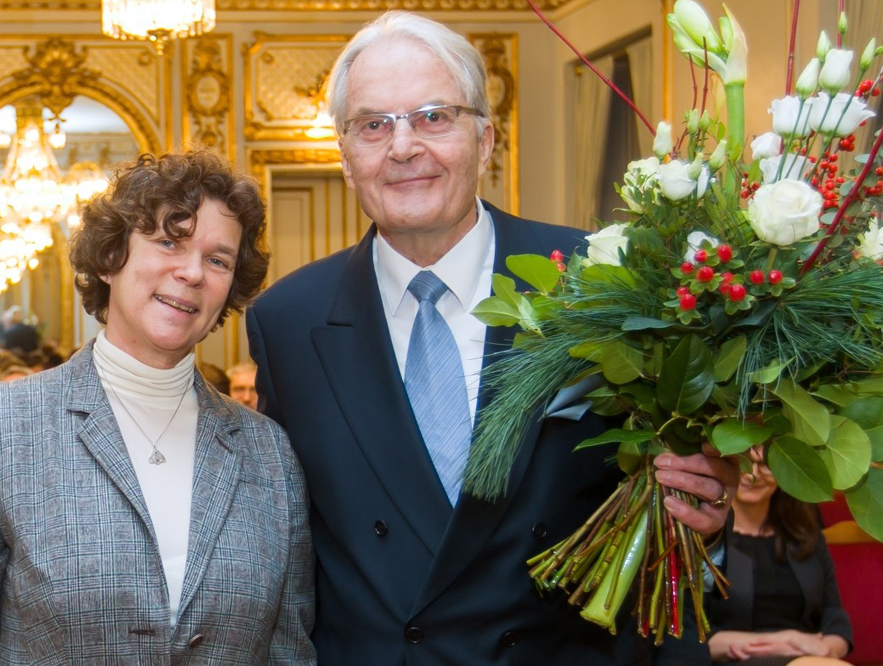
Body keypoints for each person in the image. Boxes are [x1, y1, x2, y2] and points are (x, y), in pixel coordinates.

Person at [246, 11, 736, 665]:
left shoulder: (600, 280)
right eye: (373, 125)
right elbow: (290, 547)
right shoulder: (286, 322)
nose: (402, 147)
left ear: (485, 138)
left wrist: (705, 507)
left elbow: (674, 523)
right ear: (345, 157)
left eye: (432, 117)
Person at [0, 151, 315, 665]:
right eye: (169, 242)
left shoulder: (269, 453)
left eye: (218, 259)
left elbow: (289, 653)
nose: (192, 272)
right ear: (110, 258)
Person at [702, 450, 853, 665]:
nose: (752, 475)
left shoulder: (806, 537)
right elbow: (689, 638)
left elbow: (835, 620)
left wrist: (825, 647)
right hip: (732, 660)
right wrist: (785, 640)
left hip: (808, 658)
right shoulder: (703, 540)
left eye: (765, 465)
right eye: (743, 463)